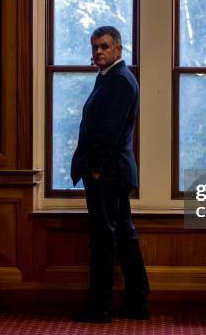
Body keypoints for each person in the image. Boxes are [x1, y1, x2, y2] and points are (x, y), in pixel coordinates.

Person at [70, 26, 150, 323]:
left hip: (108, 173)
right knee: (123, 236)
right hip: (112, 171)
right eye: (95, 47)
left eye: (104, 46)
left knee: (104, 239)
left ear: (118, 49)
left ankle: (100, 308)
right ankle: (137, 301)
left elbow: (108, 133)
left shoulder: (119, 81)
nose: (98, 52)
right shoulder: (110, 78)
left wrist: (96, 169)